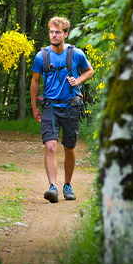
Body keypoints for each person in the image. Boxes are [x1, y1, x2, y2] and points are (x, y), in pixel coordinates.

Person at [30, 17, 94, 203]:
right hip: (50, 106)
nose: (54, 35)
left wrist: (79, 80)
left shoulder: (77, 54)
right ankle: (52, 187)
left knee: (69, 147)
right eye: (51, 32)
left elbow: (89, 71)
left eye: (57, 32)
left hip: (71, 106)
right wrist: (34, 108)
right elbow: (34, 82)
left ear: (65, 34)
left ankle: (67, 184)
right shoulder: (42, 56)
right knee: (50, 146)